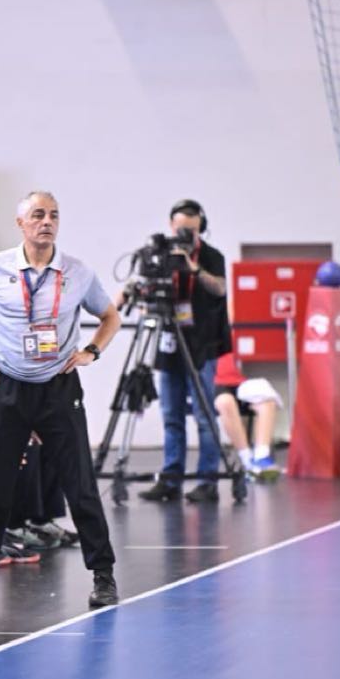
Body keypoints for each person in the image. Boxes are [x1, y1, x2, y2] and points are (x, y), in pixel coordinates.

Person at [0, 190, 121, 608]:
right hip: (5, 386)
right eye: (38, 215)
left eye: (53, 215)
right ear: (20, 223)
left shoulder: (77, 272)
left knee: (81, 486)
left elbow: (110, 315)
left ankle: (104, 576)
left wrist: (92, 351)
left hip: (58, 388)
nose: (46, 222)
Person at [138, 199, 233, 504]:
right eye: (180, 229)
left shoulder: (211, 256)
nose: (185, 235)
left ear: (200, 228)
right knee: (171, 415)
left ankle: (207, 481)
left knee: (205, 416)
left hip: (201, 344)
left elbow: (220, 288)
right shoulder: (161, 254)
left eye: (191, 230)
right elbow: (145, 287)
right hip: (170, 343)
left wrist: (194, 270)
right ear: (171, 226)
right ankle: (171, 478)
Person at [211, 352, 281, 481]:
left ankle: (261, 456)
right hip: (218, 380)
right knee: (225, 402)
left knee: (267, 401)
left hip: (245, 377)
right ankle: (247, 460)